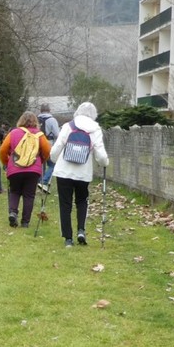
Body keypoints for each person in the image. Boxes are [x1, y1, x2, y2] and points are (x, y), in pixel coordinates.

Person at [48, 101, 110, 247]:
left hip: (64, 171)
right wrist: (105, 163)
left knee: (65, 204)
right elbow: (101, 155)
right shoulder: (95, 129)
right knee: (82, 201)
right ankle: (81, 230)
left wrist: (54, 159)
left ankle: (68, 238)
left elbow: (57, 148)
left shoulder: (68, 126)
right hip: (83, 173)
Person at [0, 111, 51, 228]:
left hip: (15, 167)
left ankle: (13, 212)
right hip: (33, 169)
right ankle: (25, 222)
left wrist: (7, 162)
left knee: (14, 191)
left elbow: (2, 150)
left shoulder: (13, 133)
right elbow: (47, 150)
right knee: (29, 195)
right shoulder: (39, 135)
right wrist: (41, 161)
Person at [36, 103, 60, 194]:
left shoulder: (36, 119)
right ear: (49, 110)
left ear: (41, 110)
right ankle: (44, 181)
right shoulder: (52, 120)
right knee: (52, 164)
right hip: (49, 144)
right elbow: (57, 134)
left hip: (37, 144)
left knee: (40, 164)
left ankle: (38, 183)